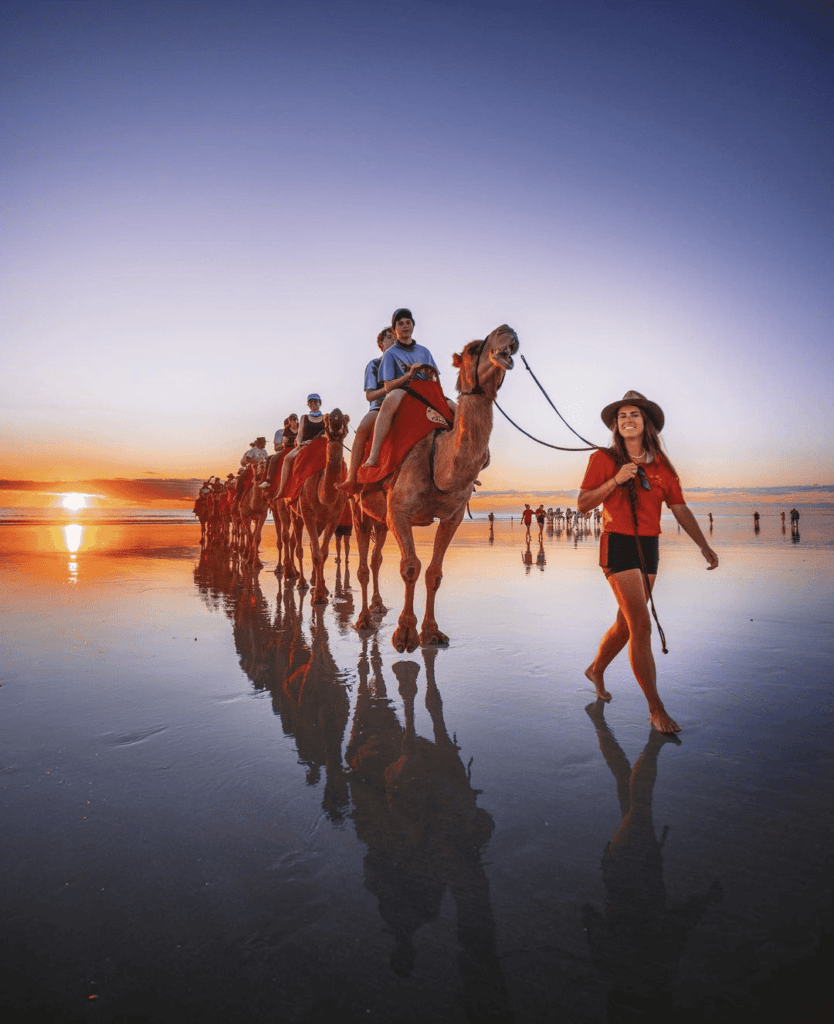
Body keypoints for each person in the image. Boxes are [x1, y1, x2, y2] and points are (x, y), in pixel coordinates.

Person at [578, 391, 718, 734]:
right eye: (622, 415)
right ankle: (656, 709)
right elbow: (583, 503)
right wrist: (615, 480)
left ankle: (596, 669)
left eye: (635, 415)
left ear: (647, 424)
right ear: (616, 424)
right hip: (618, 545)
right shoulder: (603, 459)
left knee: (626, 625)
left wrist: (703, 545)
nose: (627, 419)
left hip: (649, 548)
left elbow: (679, 508)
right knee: (642, 626)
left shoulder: (662, 467)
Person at [363, 308, 443, 469]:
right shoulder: (390, 354)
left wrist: (428, 373)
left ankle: (467, 463)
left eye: (408, 322)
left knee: (454, 408)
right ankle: (374, 455)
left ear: (413, 325)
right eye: (400, 323)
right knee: (388, 403)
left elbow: (435, 377)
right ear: (395, 329)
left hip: (426, 389)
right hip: (403, 390)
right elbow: (388, 386)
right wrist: (409, 374)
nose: (405, 326)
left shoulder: (424, 351)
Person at [339, 326, 397, 490]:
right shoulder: (375, 364)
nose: (394, 341)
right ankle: (352, 478)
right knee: (363, 430)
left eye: (396, 338)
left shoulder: (404, 364)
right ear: (381, 343)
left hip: (404, 405)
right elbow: (370, 395)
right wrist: (391, 388)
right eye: (390, 338)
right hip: (379, 407)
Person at [274, 395, 326, 498]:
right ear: (308, 404)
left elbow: (329, 433)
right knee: (287, 458)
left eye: (315, 402)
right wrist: (300, 443)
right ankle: (282, 489)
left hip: (321, 445)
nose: (313, 404)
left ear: (320, 403)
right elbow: (299, 435)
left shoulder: (325, 417)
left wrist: (325, 436)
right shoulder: (304, 418)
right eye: (310, 402)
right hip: (306, 445)